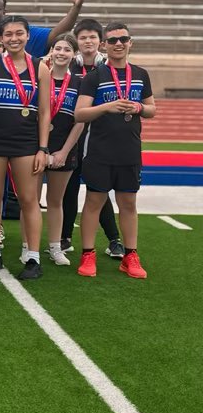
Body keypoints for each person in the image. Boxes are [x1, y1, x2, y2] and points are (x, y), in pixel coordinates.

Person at [74, 22, 156, 279]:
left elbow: (152, 109)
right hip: (99, 150)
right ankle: (88, 254)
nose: (118, 44)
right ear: (103, 46)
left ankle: (130, 255)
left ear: (131, 42)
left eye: (123, 39)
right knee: (94, 201)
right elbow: (79, 113)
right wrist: (106, 107)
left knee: (128, 203)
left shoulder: (141, 74)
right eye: (113, 40)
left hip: (130, 150)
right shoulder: (94, 76)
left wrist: (139, 109)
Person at [0, 15, 51, 280]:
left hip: (27, 143)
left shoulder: (40, 67)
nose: (14, 38)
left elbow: (45, 111)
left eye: (19, 33)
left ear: (28, 36)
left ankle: (33, 257)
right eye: (8, 34)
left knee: (29, 200)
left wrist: (43, 148)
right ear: (2, 37)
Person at [61, 18, 124, 257]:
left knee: (99, 188)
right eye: (83, 37)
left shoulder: (111, 68)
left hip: (99, 136)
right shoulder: (69, 64)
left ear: (101, 42)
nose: (88, 41)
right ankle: (64, 237)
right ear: (77, 41)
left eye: (92, 37)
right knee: (69, 186)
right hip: (71, 133)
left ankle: (114, 239)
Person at [24, 34, 84, 266]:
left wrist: (64, 152)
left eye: (67, 49)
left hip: (63, 148)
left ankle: (55, 247)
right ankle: (28, 247)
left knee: (55, 201)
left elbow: (80, 122)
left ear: (74, 54)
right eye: (57, 48)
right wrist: (39, 148)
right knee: (30, 200)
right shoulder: (39, 77)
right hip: (35, 146)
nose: (61, 53)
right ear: (51, 51)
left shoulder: (80, 83)